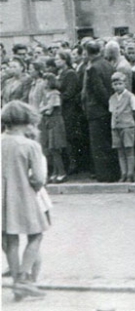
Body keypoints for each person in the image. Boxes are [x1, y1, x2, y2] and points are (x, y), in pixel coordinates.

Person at [2, 101, 49, 300]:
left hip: (2, 197)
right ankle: (23, 278)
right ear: (26, 120)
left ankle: (16, 283)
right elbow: (38, 178)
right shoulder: (31, 145)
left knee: (9, 238)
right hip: (23, 195)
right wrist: (34, 185)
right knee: (36, 234)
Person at [82, 40, 118, 182]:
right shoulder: (107, 64)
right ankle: (113, 173)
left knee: (99, 145)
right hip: (105, 109)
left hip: (97, 110)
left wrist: (107, 104)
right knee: (107, 142)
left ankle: (104, 175)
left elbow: (99, 90)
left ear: (87, 52)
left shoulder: (93, 68)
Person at [109, 71, 135, 183]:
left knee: (129, 149)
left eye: (120, 83)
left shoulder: (130, 96)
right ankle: (123, 173)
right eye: (115, 84)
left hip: (127, 126)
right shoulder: (112, 98)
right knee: (120, 151)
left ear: (125, 84)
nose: (117, 86)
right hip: (116, 127)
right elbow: (112, 111)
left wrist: (128, 120)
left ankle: (130, 174)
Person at [38, 73, 67, 183]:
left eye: (46, 80)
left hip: (55, 121)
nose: (44, 82)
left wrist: (43, 109)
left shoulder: (55, 94)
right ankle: (55, 172)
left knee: (55, 148)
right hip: (47, 121)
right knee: (50, 148)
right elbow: (42, 107)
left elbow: (50, 108)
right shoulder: (46, 94)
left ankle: (61, 172)